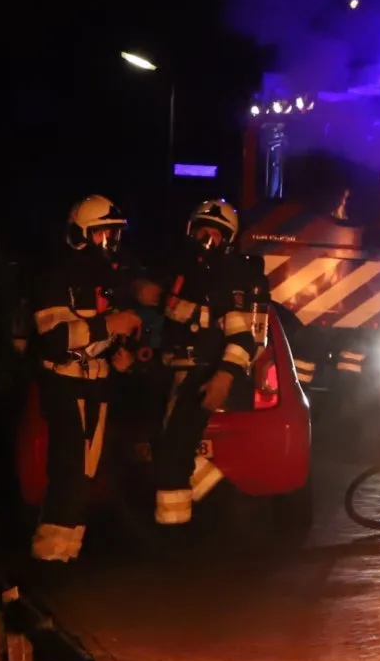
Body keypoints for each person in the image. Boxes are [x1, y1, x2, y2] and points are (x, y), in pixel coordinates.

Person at [27, 195, 141, 563]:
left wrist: (121, 358)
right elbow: (53, 339)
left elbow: (104, 337)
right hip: (64, 384)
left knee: (86, 473)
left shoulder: (109, 280)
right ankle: (47, 558)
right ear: (81, 235)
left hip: (98, 384)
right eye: (103, 234)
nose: (110, 243)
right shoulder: (56, 276)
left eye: (114, 235)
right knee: (69, 472)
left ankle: (67, 554)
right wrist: (109, 324)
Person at [149, 198, 268, 525]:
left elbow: (242, 338)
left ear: (227, 240)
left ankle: (175, 533)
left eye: (215, 234)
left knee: (172, 456)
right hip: (171, 372)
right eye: (202, 230)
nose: (206, 239)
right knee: (168, 449)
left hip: (200, 372)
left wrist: (223, 377)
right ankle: (231, 507)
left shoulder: (229, 276)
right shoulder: (182, 270)